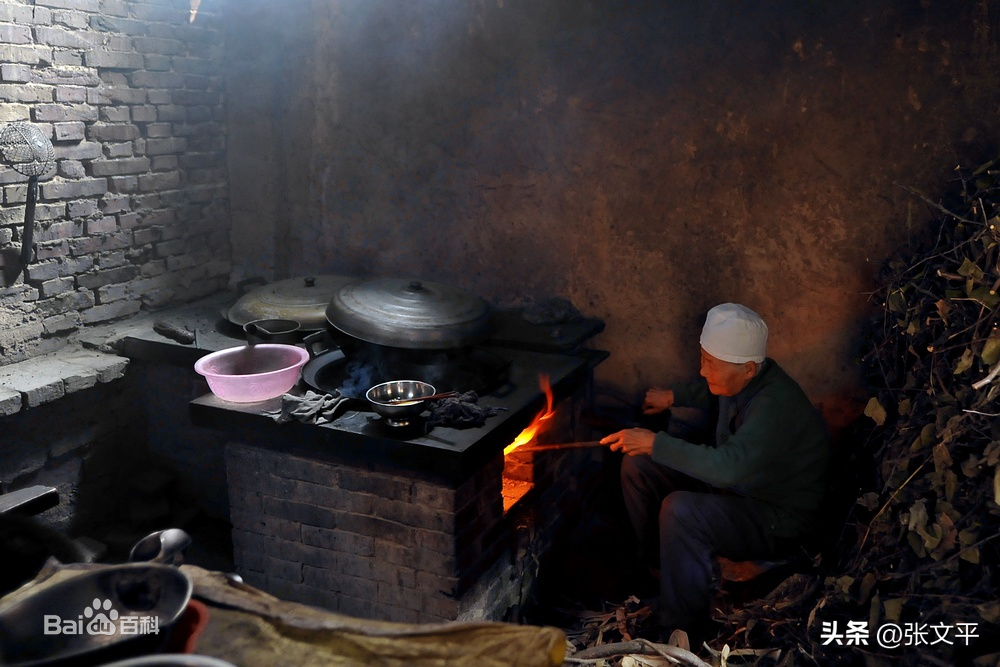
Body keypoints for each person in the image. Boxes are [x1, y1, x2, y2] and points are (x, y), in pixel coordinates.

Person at [600, 303, 831, 643]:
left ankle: (683, 627)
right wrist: (673, 396)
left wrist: (655, 442)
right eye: (703, 358)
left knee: (681, 510)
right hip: (742, 489)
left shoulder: (775, 406)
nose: (703, 370)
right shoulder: (741, 380)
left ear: (749, 369)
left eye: (710, 363)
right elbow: (714, 394)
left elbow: (727, 469)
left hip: (775, 517)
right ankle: (661, 572)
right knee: (638, 466)